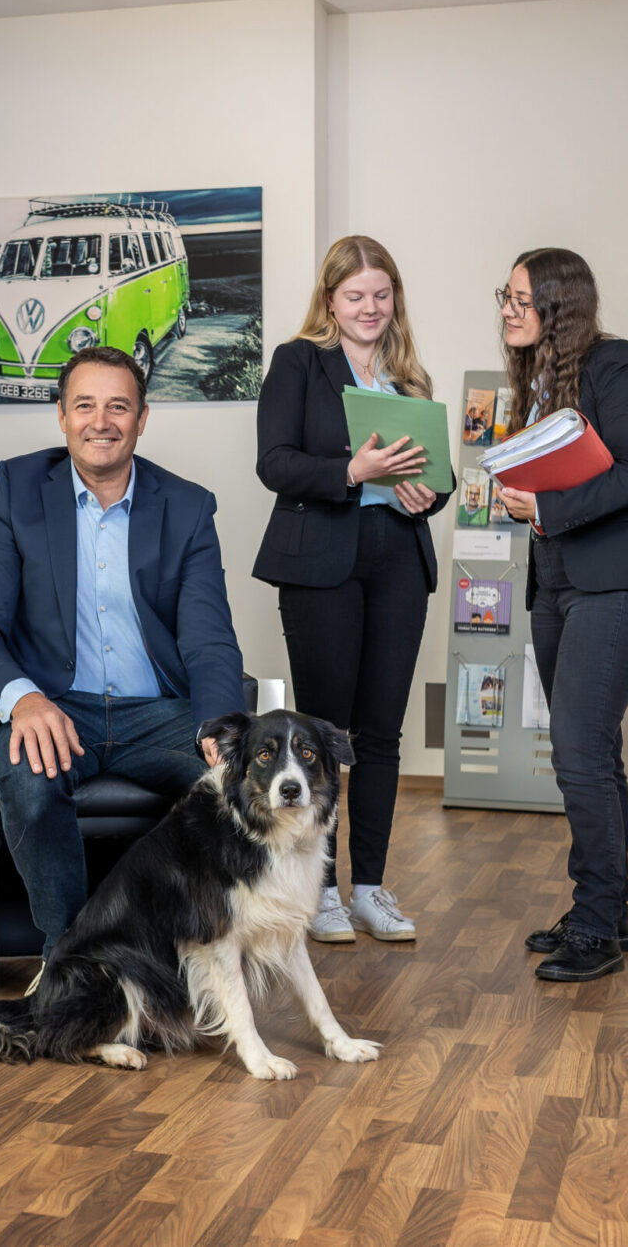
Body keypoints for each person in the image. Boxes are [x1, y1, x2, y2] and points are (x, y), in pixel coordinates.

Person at [0, 346, 246, 977]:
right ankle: (72, 963)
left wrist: (219, 726)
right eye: (84, 405)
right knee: (27, 775)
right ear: (62, 416)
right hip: (58, 707)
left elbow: (209, 639)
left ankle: (203, 958)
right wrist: (25, 700)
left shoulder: (187, 507)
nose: (101, 421)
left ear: (142, 419)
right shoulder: (18, 491)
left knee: (243, 781)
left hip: (158, 713)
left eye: (119, 406)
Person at [252, 235, 448, 944]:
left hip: (399, 561)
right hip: (322, 564)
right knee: (323, 738)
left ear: (396, 298)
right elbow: (274, 463)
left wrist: (427, 494)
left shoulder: (409, 377)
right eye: (355, 295)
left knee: (382, 734)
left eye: (381, 294)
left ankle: (369, 889)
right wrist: (351, 472)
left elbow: (437, 476)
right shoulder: (298, 362)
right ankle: (322, 891)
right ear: (330, 300)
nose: (370, 307)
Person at [495, 249, 628, 983]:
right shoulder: (535, 378)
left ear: (558, 306)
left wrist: (544, 505)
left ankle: (597, 925)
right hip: (556, 581)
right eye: (504, 296)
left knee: (576, 750)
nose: (507, 310)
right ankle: (608, 912)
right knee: (593, 751)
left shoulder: (613, 362)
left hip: (620, 582)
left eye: (520, 299)